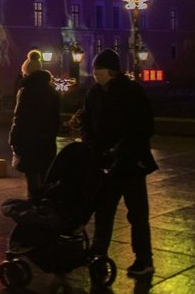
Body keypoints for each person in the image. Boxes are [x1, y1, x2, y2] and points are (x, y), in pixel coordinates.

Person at [80, 48, 158, 278]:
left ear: (112, 71)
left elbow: (142, 127)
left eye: (99, 69)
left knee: (137, 214)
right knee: (103, 211)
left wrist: (119, 150)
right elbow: (86, 119)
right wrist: (93, 145)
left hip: (130, 164)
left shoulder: (132, 92)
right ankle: (99, 252)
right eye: (95, 69)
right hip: (105, 163)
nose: (95, 73)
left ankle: (144, 260)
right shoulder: (94, 93)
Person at [9, 51, 60, 197]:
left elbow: (19, 117)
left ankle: (34, 207)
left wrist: (14, 137)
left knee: (32, 178)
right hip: (46, 141)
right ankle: (44, 205)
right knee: (45, 175)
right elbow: (55, 118)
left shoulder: (26, 90)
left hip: (28, 140)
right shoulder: (51, 90)